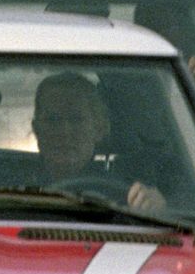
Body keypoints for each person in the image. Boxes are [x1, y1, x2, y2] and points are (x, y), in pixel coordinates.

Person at [30, 72, 166, 210]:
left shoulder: (130, 196)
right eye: (53, 120)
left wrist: (157, 209)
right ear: (36, 129)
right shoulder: (11, 186)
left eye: (76, 120)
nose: (64, 132)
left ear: (99, 129)